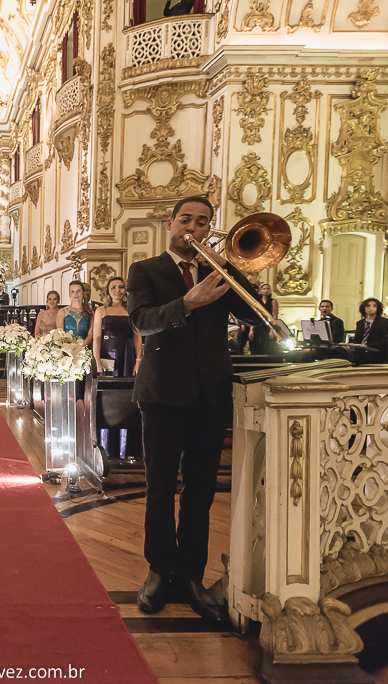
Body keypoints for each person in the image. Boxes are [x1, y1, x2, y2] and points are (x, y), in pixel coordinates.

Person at [126, 195, 262, 623]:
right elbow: (141, 321)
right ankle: (158, 570)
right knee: (161, 488)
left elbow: (253, 312)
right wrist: (187, 303)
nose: (193, 227)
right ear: (170, 224)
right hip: (162, 393)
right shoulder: (145, 270)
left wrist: (229, 268)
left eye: (202, 222)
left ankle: (190, 574)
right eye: (186, 219)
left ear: (208, 229)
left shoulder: (219, 273)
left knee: (201, 492)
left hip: (210, 394)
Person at [92, 276, 143, 461]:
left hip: (128, 356)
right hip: (107, 357)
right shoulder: (101, 310)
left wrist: (138, 360)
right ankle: (105, 448)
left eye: (121, 287)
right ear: (108, 290)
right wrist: (97, 360)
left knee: (127, 399)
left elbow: (138, 337)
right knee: (108, 399)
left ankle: (127, 449)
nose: (117, 290)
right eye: (113, 287)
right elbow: (97, 338)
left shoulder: (132, 310)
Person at [239, 283, 278, 355]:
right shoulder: (257, 301)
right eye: (264, 289)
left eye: (268, 288)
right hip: (257, 326)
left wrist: (272, 330)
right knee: (255, 347)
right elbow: (254, 316)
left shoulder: (273, 301)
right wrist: (251, 330)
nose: (266, 290)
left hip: (267, 326)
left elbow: (274, 316)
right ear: (260, 291)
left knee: (267, 347)